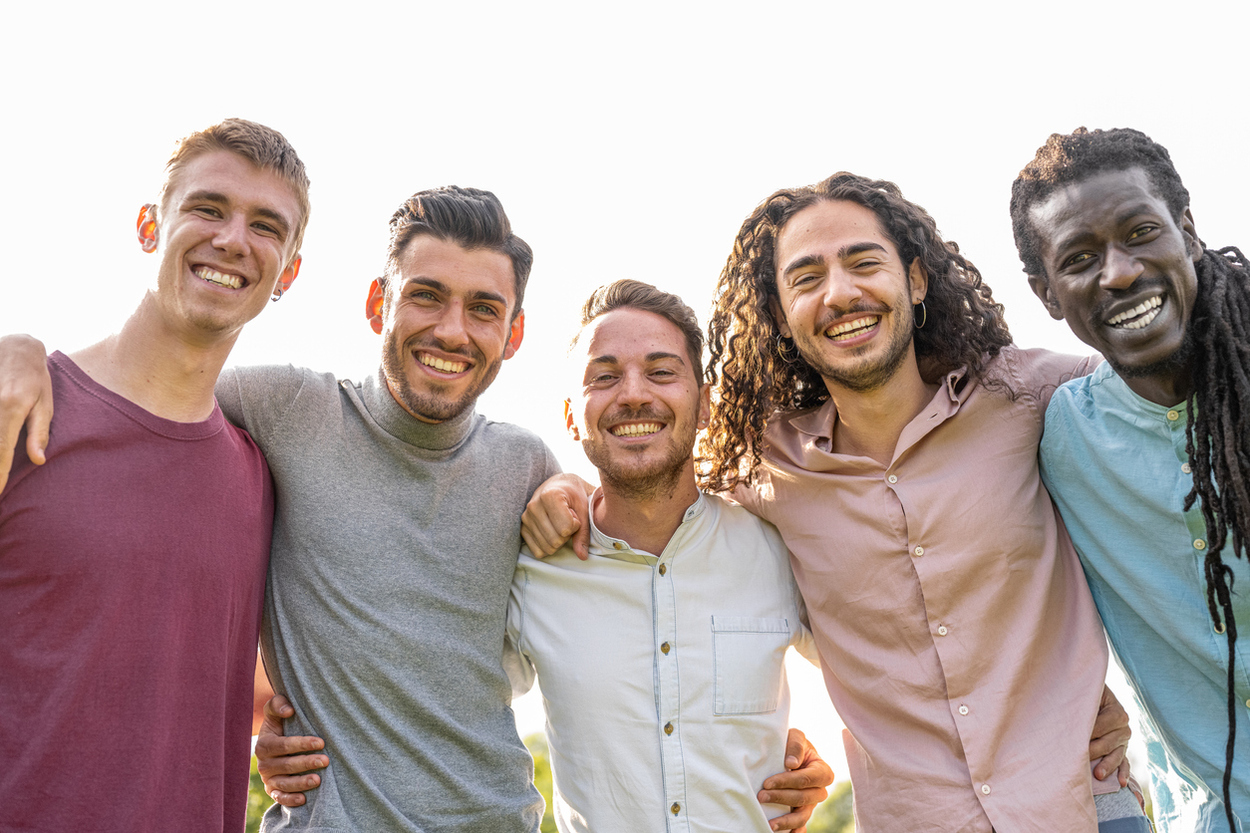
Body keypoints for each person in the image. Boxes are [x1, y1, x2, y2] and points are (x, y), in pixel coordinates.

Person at [0, 186, 831, 830]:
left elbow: (644, 628)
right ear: (377, 305)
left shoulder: (530, 469)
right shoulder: (285, 410)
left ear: (512, 335)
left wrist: (771, 749)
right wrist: (27, 352)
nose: (451, 329)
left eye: (483, 309)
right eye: (426, 296)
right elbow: (145, 379)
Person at [525, 173, 1145, 832]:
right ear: (783, 317)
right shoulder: (766, 470)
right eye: (806, 277)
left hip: (1081, 801)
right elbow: (652, 482)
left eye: (862, 262)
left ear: (916, 279)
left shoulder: (1033, 396)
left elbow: (1166, 418)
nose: (840, 292)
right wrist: (561, 485)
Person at [259, 279, 833, 831]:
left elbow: (878, 671)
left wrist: (801, 756)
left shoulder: (778, 548)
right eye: (604, 377)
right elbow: (422, 684)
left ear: (705, 405)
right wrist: (297, 729)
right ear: (569, 419)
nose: (634, 394)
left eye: (661, 372)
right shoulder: (530, 569)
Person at [0, 118, 308, 831]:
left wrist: (282, 733)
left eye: (266, 225)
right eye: (207, 208)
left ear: (288, 273)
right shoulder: (23, 411)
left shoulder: (261, 480)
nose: (233, 239)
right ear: (149, 225)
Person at [1011, 126, 1250, 833]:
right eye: (1080, 258)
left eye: (1141, 232)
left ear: (1188, 233)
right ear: (1048, 294)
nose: (1118, 272)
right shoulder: (1057, 439)